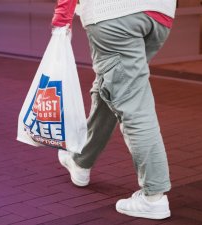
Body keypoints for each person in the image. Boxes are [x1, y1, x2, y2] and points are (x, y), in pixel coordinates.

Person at [52, 0, 176, 220]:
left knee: (133, 104)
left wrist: (62, 20)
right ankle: (81, 161)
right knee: (112, 87)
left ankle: (153, 197)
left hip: (114, 14)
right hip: (159, 16)